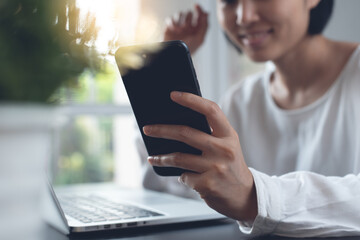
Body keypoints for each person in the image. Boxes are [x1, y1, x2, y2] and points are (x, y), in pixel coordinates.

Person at [136, 0, 360, 237]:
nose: (244, 17)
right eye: (229, 2)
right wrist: (160, 82)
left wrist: (254, 196)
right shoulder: (241, 100)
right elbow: (171, 187)